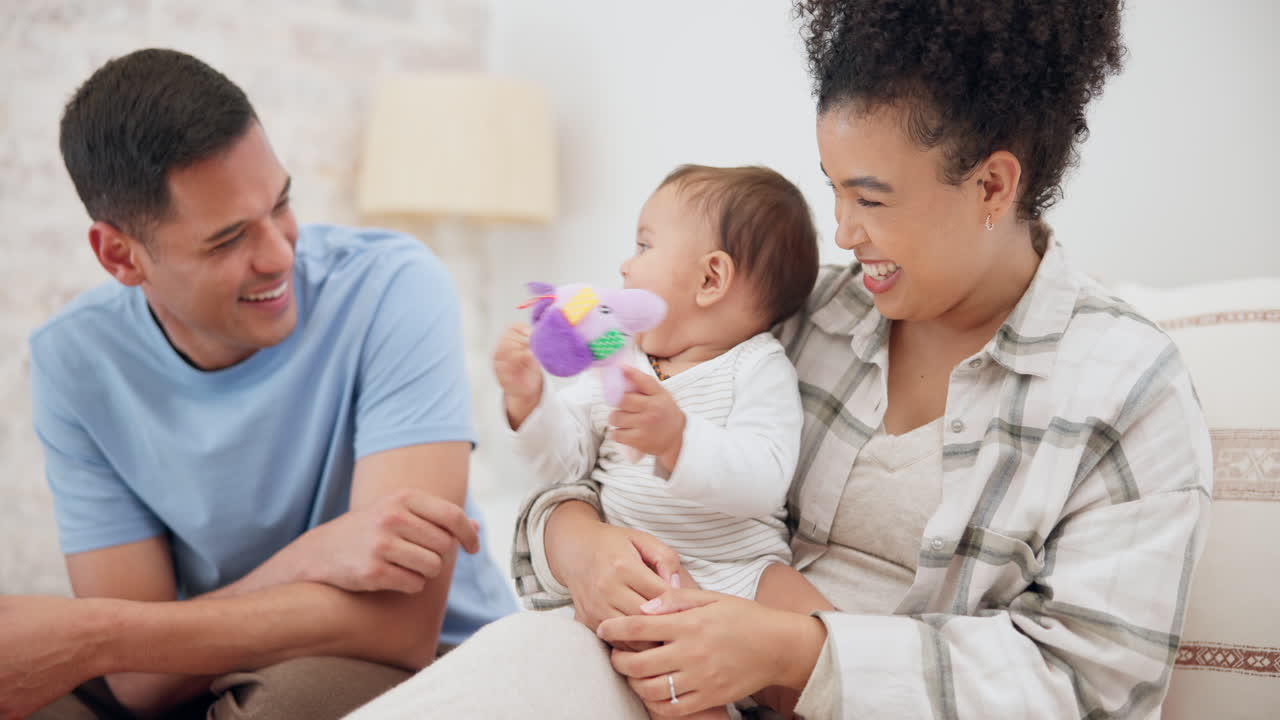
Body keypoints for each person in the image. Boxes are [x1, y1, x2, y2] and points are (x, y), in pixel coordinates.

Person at [343, 1, 1213, 718]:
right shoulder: (806, 314)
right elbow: (605, 459)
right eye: (833, 187)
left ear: (992, 185)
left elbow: (1089, 691)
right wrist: (580, 545)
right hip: (653, 674)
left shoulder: (1125, 390)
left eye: (871, 198)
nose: (841, 231)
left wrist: (794, 654)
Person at [1, 48, 516, 720]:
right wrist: (309, 559)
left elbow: (399, 627)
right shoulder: (75, 360)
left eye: (281, 204)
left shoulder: (394, 288)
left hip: (421, 657)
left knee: (278, 705)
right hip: (210, 664)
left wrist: (96, 635)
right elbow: (136, 684)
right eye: (227, 239)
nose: (279, 253)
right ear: (120, 256)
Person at [493, 165, 827, 718]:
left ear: (710, 279)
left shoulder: (758, 367)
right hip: (647, 572)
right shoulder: (617, 357)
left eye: (644, 244)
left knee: (823, 640)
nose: (625, 264)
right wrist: (531, 405)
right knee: (659, 667)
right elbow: (566, 463)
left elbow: (766, 479)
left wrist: (679, 442)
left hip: (747, 569)